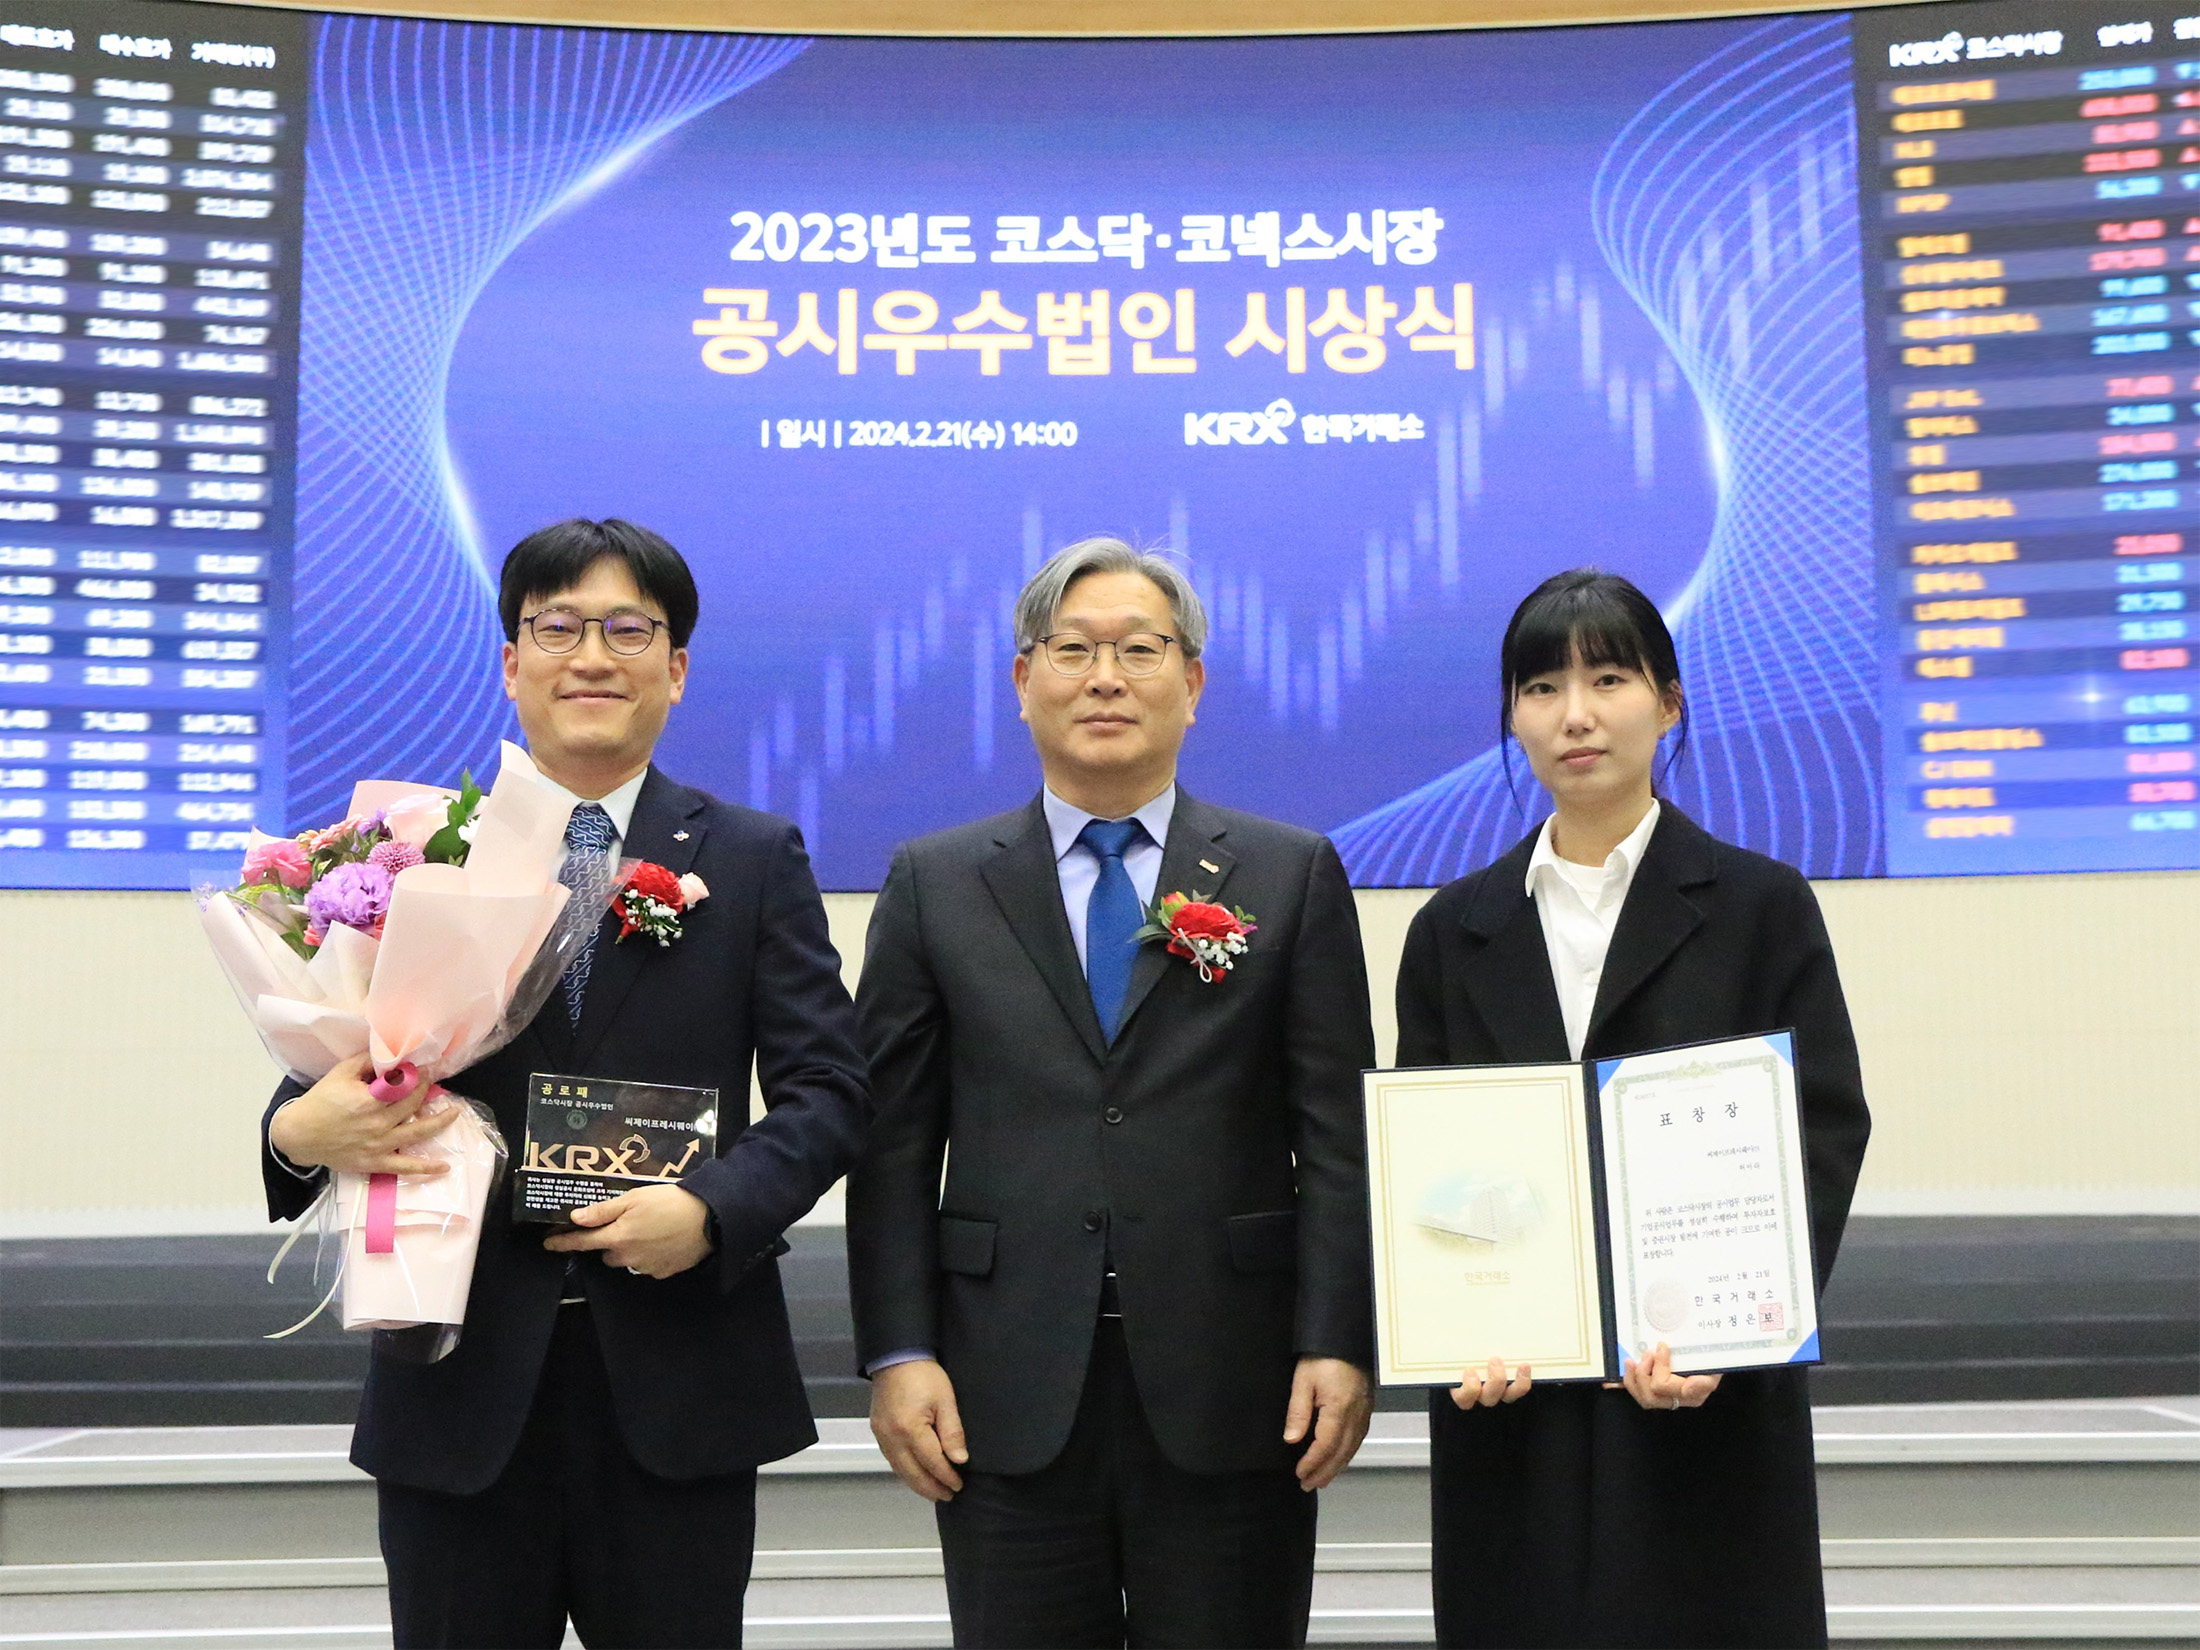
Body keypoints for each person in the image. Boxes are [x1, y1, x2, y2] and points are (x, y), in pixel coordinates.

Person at [259, 518, 872, 1648]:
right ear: (511, 662)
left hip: (677, 1382)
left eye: (628, 630)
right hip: (459, 1378)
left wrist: (712, 1210)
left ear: (675, 669)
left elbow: (830, 1091)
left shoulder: (751, 856)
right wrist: (300, 1131)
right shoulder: (414, 853)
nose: (592, 656)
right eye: (558, 628)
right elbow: (337, 1065)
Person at [846, 537, 1376, 1648]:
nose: (1105, 679)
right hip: (1001, 1390)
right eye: (1073, 650)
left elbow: (1337, 1136)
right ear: (1021, 679)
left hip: (1236, 1385)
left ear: (1193, 682)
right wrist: (899, 1352)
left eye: (1140, 650)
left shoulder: (1288, 872)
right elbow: (892, 1145)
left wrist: (1339, 1339)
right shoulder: (936, 882)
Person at [1394, 567, 1871, 1649]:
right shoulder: (1451, 932)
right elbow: (1428, 1162)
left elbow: (1823, 1128)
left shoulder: (1759, 906)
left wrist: (1733, 1336)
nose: (1575, 715)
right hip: (1512, 1412)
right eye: (1541, 688)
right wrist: (1455, 1324)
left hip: (1706, 1406)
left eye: (1608, 679)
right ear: (1513, 717)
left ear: (1667, 703)